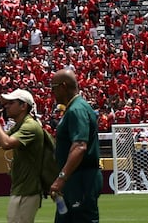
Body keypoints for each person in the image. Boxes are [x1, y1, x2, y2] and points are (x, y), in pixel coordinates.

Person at [0, 88, 45, 223]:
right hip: (21, 188)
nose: (6, 106)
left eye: (11, 103)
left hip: (29, 189)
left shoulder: (30, 126)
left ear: (23, 106)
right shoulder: (20, 126)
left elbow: (5, 144)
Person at [48, 69, 102, 223]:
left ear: (63, 86)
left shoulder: (76, 110)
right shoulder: (73, 109)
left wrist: (61, 178)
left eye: (54, 87)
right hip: (73, 180)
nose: (52, 92)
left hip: (80, 180)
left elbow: (80, 146)